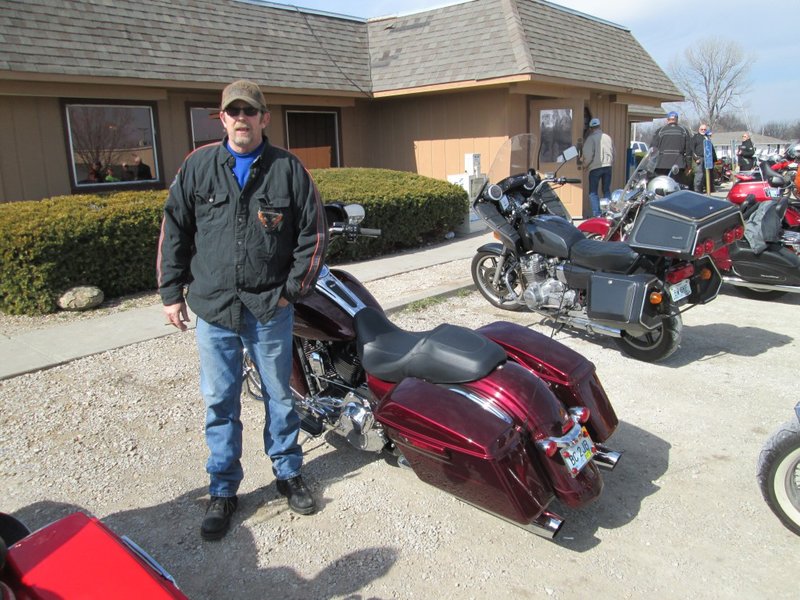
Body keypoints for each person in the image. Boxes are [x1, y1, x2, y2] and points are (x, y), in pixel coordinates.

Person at [157, 79, 328, 541]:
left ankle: (289, 473)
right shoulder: (198, 166)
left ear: (263, 119)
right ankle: (223, 489)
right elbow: (175, 230)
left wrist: (290, 292)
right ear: (222, 118)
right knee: (220, 401)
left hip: (269, 309)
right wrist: (171, 292)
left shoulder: (289, 171)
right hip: (214, 309)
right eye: (232, 112)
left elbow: (313, 236)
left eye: (249, 112)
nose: (240, 120)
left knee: (279, 395)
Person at [581, 117, 614, 216]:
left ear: (591, 128)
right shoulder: (608, 137)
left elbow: (588, 155)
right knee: (606, 190)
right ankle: (608, 213)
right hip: (608, 167)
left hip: (595, 168)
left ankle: (597, 214)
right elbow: (614, 152)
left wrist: (584, 166)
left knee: (593, 193)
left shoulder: (590, 139)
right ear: (599, 126)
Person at [650, 111, 691, 184]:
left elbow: (653, 149)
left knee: (661, 185)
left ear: (667, 120)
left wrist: (651, 165)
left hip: (661, 164)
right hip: (678, 164)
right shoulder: (684, 131)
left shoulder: (660, 131)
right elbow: (688, 150)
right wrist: (689, 166)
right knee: (676, 186)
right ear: (677, 119)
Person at [690, 123, 717, 193]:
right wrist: (696, 159)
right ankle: (697, 190)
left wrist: (714, 159)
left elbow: (711, 148)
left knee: (708, 175)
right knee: (699, 174)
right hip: (699, 158)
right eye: (701, 129)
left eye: (704, 129)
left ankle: (709, 189)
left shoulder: (707, 137)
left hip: (708, 159)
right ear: (699, 129)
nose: (703, 130)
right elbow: (692, 149)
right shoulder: (695, 137)